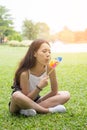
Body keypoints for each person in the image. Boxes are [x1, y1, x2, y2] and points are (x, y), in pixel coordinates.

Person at [9, 39, 70, 116]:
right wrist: (39, 87)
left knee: (66, 94)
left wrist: (41, 100)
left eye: (49, 52)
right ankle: (47, 111)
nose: (48, 54)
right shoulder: (25, 73)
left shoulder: (50, 68)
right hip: (19, 103)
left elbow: (54, 92)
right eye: (44, 51)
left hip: (36, 100)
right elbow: (27, 98)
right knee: (16, 95)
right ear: (34, 53)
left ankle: (28, 110)